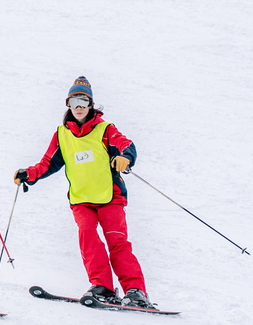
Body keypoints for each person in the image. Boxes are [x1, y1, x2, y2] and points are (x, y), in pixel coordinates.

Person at [12, 76, 152, 308]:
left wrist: (125, 159)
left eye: (83, 101)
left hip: (110, 198)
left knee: (117, 242)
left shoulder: (105, 130)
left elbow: (127, 145)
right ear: (68, 104)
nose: (78, 107)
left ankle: (136, 290)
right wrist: (29, 174)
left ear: (91, 105)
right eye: (74, 101)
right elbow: (48, 163)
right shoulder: (62, 134)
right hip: (81, 200)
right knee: (88, 238)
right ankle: (103, 287)